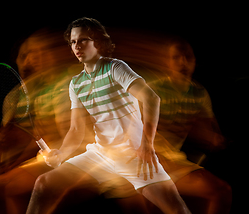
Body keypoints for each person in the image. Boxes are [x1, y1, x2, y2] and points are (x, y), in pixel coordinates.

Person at [26, 17, 190, 214]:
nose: (77, 46)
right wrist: (61, 153)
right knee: (43, 184)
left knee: (176, 209)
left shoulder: (115, 68)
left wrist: (147, 144)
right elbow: (76, 130)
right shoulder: (76, 84)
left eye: (83, 40)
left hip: (134, 154)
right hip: (100, 154)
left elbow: (152, 99)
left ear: (98, 42)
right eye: (73, 42)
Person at [0, 29, 93, 214]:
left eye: (37, 52)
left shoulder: (75, 83)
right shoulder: (27, 95)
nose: (30, 60)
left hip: (87, 160)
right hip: (56, 160)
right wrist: (14, 159)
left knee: (37, 189)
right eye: (24, 55)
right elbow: (37, 138)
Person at [148, 36, 232, 214]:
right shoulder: (153, 90)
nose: (183, 62)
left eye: (188, 57)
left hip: (172, 162)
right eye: (176, 57)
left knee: (220, 193)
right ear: (166, 62)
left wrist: (214, 138)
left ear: (195, 61)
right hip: (145, 160)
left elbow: (212, 131)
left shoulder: (199, 93)